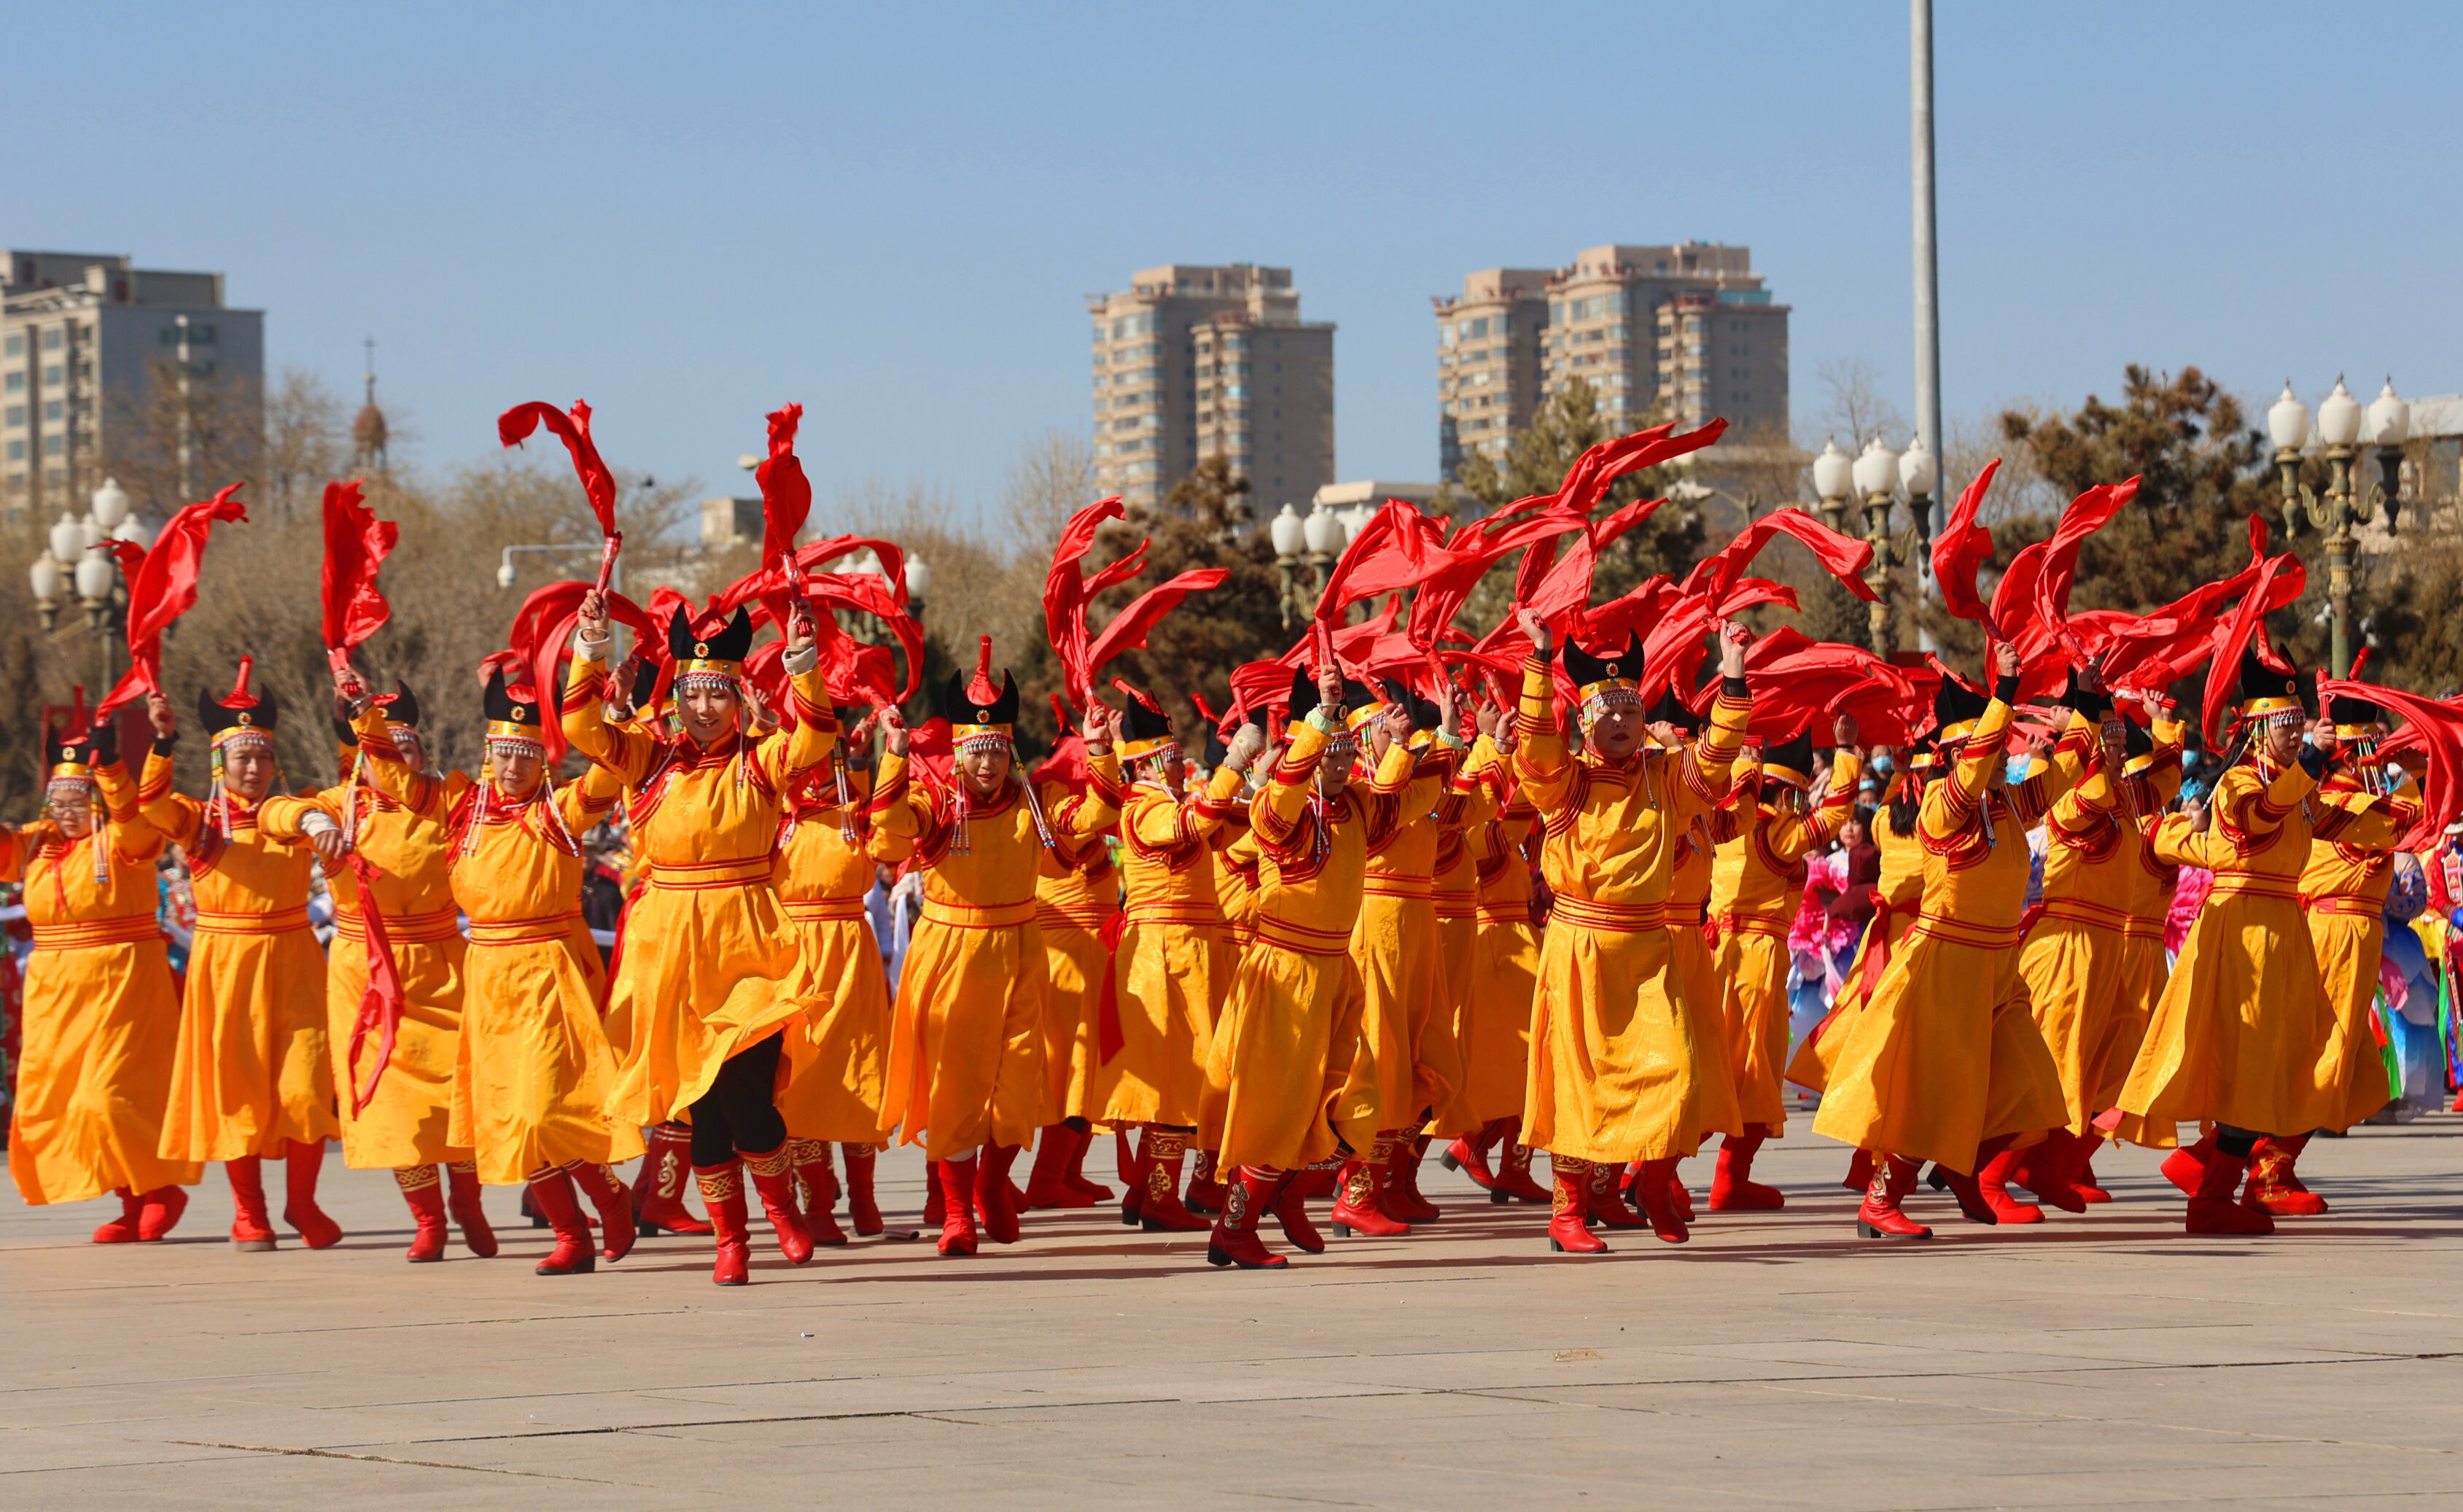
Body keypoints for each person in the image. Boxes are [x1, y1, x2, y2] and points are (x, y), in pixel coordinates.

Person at [565, 593, 836, 1285]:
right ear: (678, 696)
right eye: (692, 694)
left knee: (747, 1093)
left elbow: (815, 739)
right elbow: (581, 727)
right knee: (704, 1106)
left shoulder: (761, 762)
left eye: (717, 695)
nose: (704, 709)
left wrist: (804, 664)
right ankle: (732, 1240)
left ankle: (780, 1211)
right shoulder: (649, 760)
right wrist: (591, 647)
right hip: (672, 954)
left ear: (739, 699)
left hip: (749, 945)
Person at [352, 669, 642, 1275]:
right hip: (486, 974)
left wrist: (614, 716)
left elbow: (610, 776)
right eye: (504, 754)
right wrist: (363, 714)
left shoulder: (562, 811)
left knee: (545, 1109)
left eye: (527, 756)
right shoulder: (459, 807)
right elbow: (400, 780)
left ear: (542, 762)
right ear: (488, 755)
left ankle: (608, 1199)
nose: (513, 768)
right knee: (508, 1112)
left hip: (545, 971)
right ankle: (572, 1235)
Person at [1813, 646, 2086, 1239]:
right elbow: (1969, 773)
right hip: (1946, 961)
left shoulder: (2008, 803)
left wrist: (2082, 708)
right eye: (1977, 751)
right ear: (1954, 757)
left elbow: (2067, 775)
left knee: (2030, 1084)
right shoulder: (1944, 805)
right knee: (1939, 1091)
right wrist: (2004, 695)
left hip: (1997, 962)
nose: (1992, 758)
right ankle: (1881, 1202)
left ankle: (1962, 1167)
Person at [1511, 611, 1754, 1254]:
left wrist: (1731, 669)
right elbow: (1533, 745)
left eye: (1631, 713)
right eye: (1608, 714)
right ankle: (1568, 1213)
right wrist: (1539, 660)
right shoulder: (1564, 783)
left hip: (1650, 952)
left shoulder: (1665, 777)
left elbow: (1716, 758)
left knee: (1677, 1072)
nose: (1621, 724)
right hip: (1581, 949)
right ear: (1586, 722)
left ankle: (1652, 1182)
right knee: (1579, 1082)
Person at [871, 638, 1121, 1256]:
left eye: (996, 750)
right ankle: (957, 1213)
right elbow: (889, 834)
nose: (986, 764)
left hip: (1019, 953)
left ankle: (990, 1183)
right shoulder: (937, 803)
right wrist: (895, 758)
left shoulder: (1032, 803)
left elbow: (1096, 818)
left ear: (1009, 750)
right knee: (956, 1090)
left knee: (1020, 1088)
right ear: (959, 752)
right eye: (976, 752)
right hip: (952, 955)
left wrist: (1100, 750)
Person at [260, 677, 495, 1263]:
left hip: (441, 964)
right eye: (379, 749)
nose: (392, 759)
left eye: (404, 747)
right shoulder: (340, 805)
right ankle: (429, 1219)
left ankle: (469, 1205)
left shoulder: (446, 798)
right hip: (366, 973)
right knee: (394, 1105)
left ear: (422, 753)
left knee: (456, 1096)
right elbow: (271, 811)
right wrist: (310, 825)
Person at [2112, 652, 2346, 1235]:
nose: (2295, 733)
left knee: (2288, 1062)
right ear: (2260, 727)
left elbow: (2329, 822)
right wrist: (2314, 760)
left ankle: (2202, 1168)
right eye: (2287, 724)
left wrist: (2398, 817)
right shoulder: (2238, 785)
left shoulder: (2293, 786)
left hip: (2282, 931)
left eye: (2300, 724)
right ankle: (2211, 1196)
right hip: (2245, 935)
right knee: (2251, 1066)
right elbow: (2266, 815)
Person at [1198, 663, 1415, 1269]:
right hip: (1285, 972)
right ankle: (1234, 1228)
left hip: (1334, 971)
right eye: (1329, 753)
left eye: (1347, 752)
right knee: (1278, 1107)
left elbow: (1405, 800)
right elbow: (1282, 794)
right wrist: (1319, 718)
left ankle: (1289, 1193)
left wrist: (1409, 743)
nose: (1339, 765)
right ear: (1307, 752)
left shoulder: (1358, 809)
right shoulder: (1278, 807)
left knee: (1357, 1099)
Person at [144, 663, 342, 1252]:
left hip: (295, 957)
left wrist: (345, 720)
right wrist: (161, 742)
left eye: (260, 759)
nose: (252, 769)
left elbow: (350, 786)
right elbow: (149, 806)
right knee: (239, 1092)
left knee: (306, 1086)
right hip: (225, 965)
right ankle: (248, 1212)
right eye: (240, 760)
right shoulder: (199, 822)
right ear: (220, 765)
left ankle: (302, 1203)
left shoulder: (296, 811)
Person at [2, 713, 201, 1241]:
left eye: (78, 803)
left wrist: (112, 770)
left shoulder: (123, 841)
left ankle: (161, 1189)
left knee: (113, 1096)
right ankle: (129, 1199)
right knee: (71, 1102)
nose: (67, 814)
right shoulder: (37, 844)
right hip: (55, 992)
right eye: (60, 803)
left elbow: (137, 821)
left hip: (123, 982)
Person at [1090, 685, 1253, 1231]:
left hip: (1184, 952)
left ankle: (1145, 1191)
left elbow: (1234, 824)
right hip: (1162, 957)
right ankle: (1161, 1197)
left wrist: (1271, 773)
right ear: (1153, 763)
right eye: (1173, 759)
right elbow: (1194, 826)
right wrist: (1233, 762)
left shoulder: (1169, 803)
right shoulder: (1144, 809)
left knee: (1183, 1073)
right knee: (1179, 1076)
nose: (1183, 767)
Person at [2264, 691, 2421, 1212]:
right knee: (2321, 1059)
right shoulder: (2344, 800)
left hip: (2351, 934)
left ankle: (2266, 1162)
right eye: (2371, 751)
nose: (2377, 762)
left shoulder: (2345, 796)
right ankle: (2265, 1169)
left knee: (2338, 1062)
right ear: (2353, 756)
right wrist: (2421, 774)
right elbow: (2402, 820)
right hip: (2335, 934)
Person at [1705, 719, 1861, 1211]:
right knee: (1752, 1071)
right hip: (1756, 960)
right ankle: (1720, 1177)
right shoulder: (1777, 832)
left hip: (1719, 954)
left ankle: (1648, 1174)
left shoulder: (1728, 819)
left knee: (1717, 1066)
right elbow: (1835, 815)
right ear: (1789, 794)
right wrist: (1844, 750)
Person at [774, 707, 909, 1242]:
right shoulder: (774, 817)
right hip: (792, 958)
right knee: (799, 1087)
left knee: (858, 1078)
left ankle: (865, 1200)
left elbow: (893, 844)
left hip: (850, 955)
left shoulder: (856, 816)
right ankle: (818, 1207)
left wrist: (890, 756)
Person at [1436, 702, 1546, 1203]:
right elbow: (1515, 821)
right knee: (1527, 1063)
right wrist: (1526, 764)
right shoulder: (1474, 834)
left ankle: (1494, 1156)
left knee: (1525, 1064)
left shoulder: (1488, 827)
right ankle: (1477, 1147)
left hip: (1514, 946)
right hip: (1500, 951)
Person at [1019, 716, 1121, 1214]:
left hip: (1086, 948)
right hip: (1071, 953)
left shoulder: (1057, 793)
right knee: (1074, 1070)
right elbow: (1099, 814)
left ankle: (1067, 1173)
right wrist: (1105, 752)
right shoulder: (1059, 799)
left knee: (1084, 1069)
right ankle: (1046, 1179)